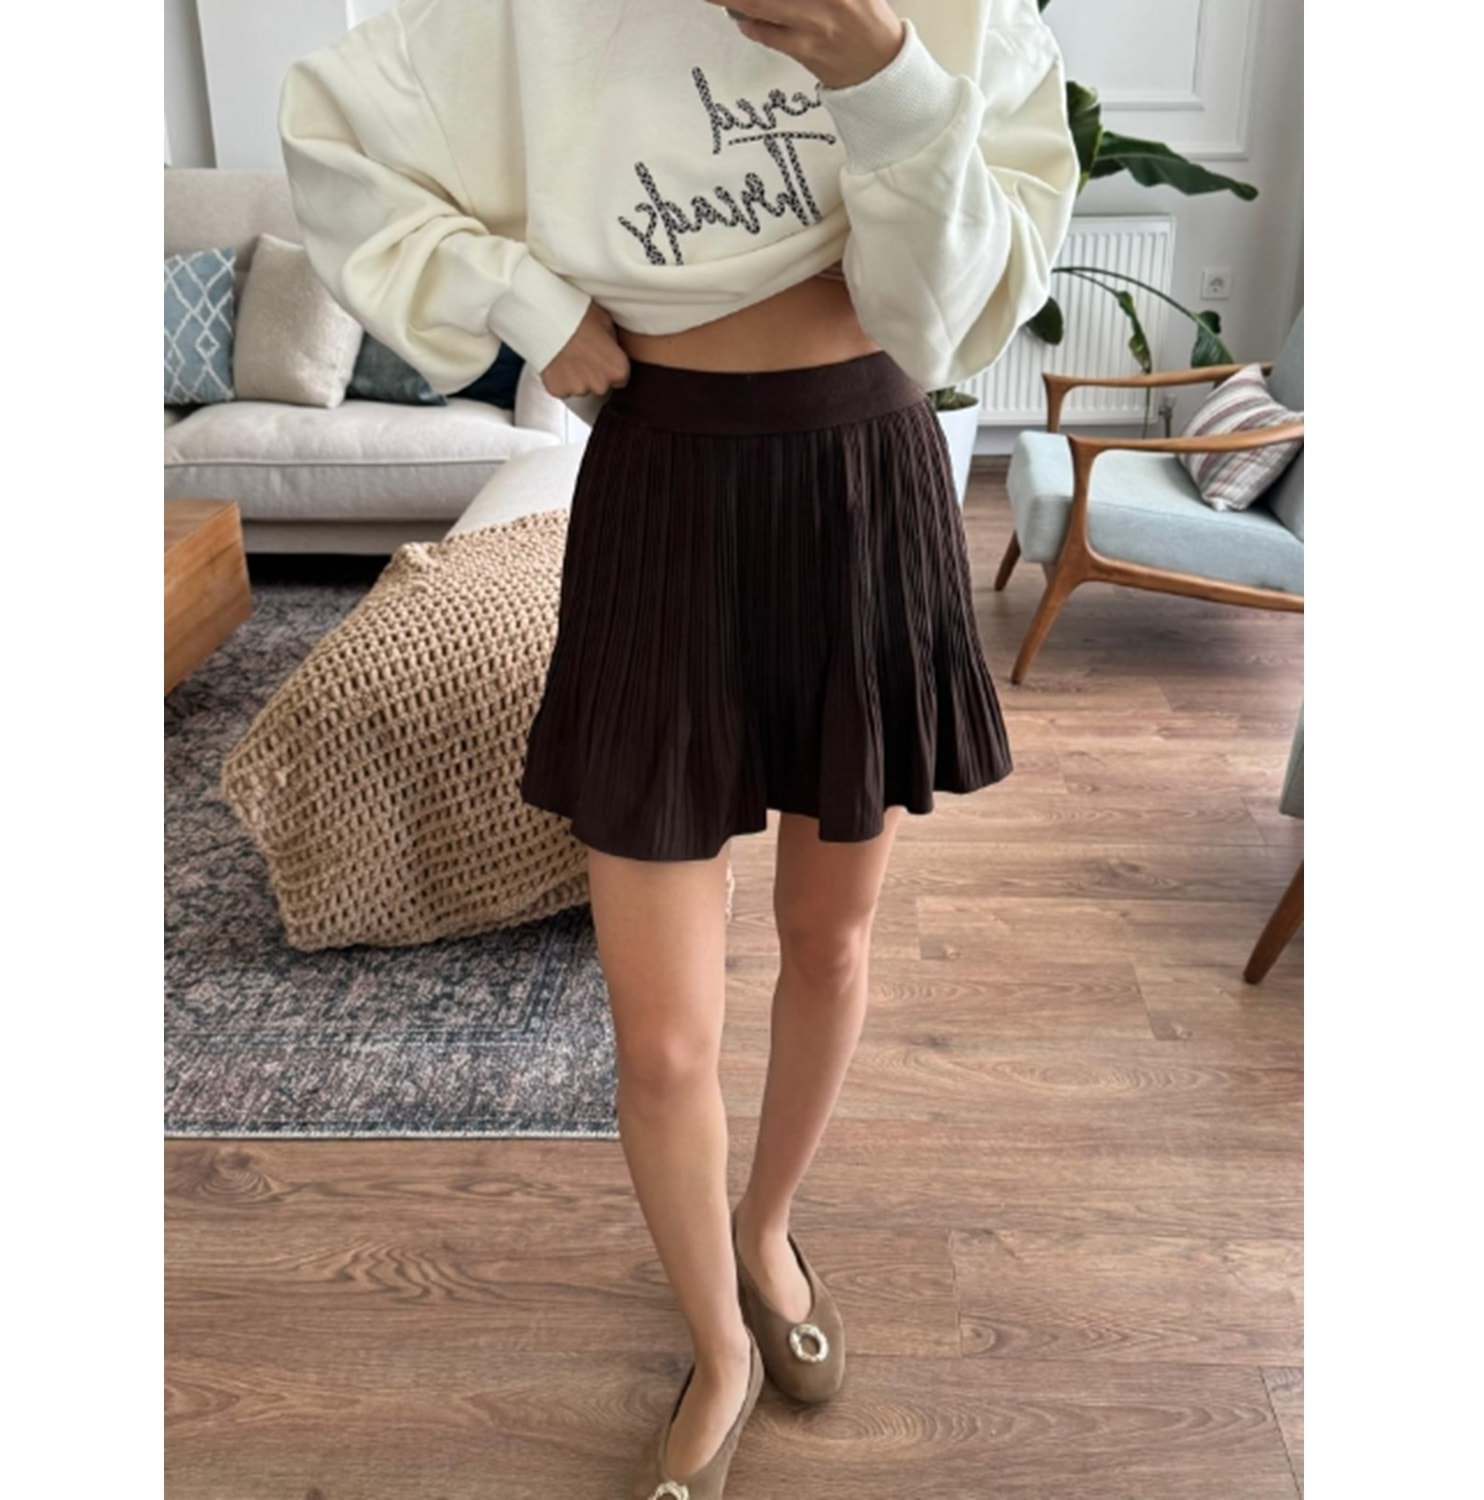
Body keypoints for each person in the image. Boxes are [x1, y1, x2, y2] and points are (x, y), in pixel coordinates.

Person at [279, 2, 1077, 1494]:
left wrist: (884, 73)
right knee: (659, 1035)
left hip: (864, 484)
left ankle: (767, 1233)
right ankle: (718, 1345)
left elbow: (952, 315)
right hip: (661, 488)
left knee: (829, 941)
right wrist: (525, 301)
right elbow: (334, 135)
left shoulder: (955, 14)